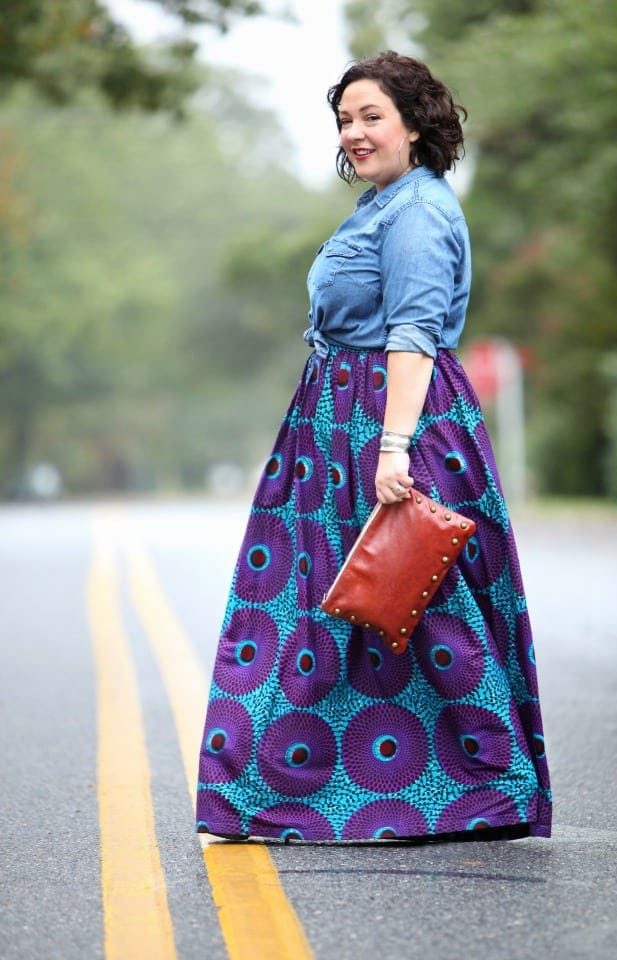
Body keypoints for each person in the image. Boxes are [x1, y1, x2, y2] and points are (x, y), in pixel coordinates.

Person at [195, 51, 552, 842]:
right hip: (337, 426)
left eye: (371, 117)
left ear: (416, 126)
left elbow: (415, 334)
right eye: (344, 121)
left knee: (412, 600)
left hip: (394, 424)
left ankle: (489, 786)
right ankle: (291, 787)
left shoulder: (419, 211)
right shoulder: (381, 205)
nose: (354, 134)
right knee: (340, 607)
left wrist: (393, 449)